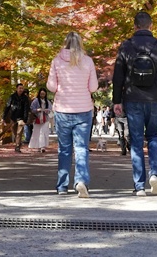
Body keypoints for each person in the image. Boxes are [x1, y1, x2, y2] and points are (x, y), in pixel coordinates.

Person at [112, 11, 157, 196]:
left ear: (135, 26)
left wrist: (116, 100)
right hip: (154, 99)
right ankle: (155, 174)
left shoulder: (126, 46)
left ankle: (139, 185)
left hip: (132, 99)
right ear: (151, 26)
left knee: (137, 141)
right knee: (154, 136)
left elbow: (118, 77)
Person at [46, 31, 98, 197]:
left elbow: (52, 87)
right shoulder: (88, 61)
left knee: (64, 150)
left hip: (63, 109)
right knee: (82, 148)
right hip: (83, 109)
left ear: (65, 42)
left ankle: (62, 186)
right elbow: (93, 87)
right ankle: (81, 181)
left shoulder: (56, 61)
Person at [4, 82, 30, 153]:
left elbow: (26, 109)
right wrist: (4, 117)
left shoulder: (25, 98)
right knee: (15, 133)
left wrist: (25, 118)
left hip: (21, 118)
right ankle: (18, 142)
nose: (21, 90)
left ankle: (17, 146)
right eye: (19, 88)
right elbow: (7, 107)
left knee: (19, 133)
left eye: (22, 88)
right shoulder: (12, 97)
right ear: (17, 89)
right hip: (13, 117)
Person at [28, 87, 52, 152]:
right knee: (37, 132)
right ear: (39, 94)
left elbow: (50, 109)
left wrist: (46, 110)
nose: (42, 95)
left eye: (43, 94)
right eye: (41, 94)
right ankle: (38, 146)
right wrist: (37, 110)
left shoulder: (48, 101)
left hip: (45, 119)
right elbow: (32, 109)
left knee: (43, 132)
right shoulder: (35, 101)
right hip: (37, 118)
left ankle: (42, 146)